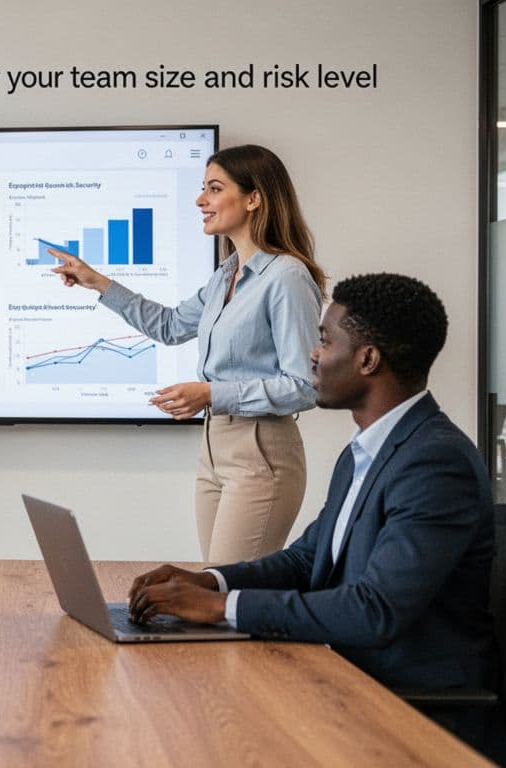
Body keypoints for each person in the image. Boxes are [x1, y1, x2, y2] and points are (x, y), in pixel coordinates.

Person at [126, 273, 505, 758]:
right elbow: (307, 561)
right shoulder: (370, 449)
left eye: (324, 340)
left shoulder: (434, 462)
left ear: (368, 360)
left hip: (409, 710)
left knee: (199, 727)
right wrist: (212, 582)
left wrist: (223, 610)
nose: (312, 355)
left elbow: (375, 610)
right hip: (348, 675)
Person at [50, 144, 324, 562]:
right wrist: (97, 282)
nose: (201, 201)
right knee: (211, 586)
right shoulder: (226, 274)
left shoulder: (286, 277)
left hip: (261, 451)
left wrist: (212, 394)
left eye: (214, 189)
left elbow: (304, 387)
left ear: (254, 199)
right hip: (214, 449)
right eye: (203, 189)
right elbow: (170, 325)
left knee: (224, 595)